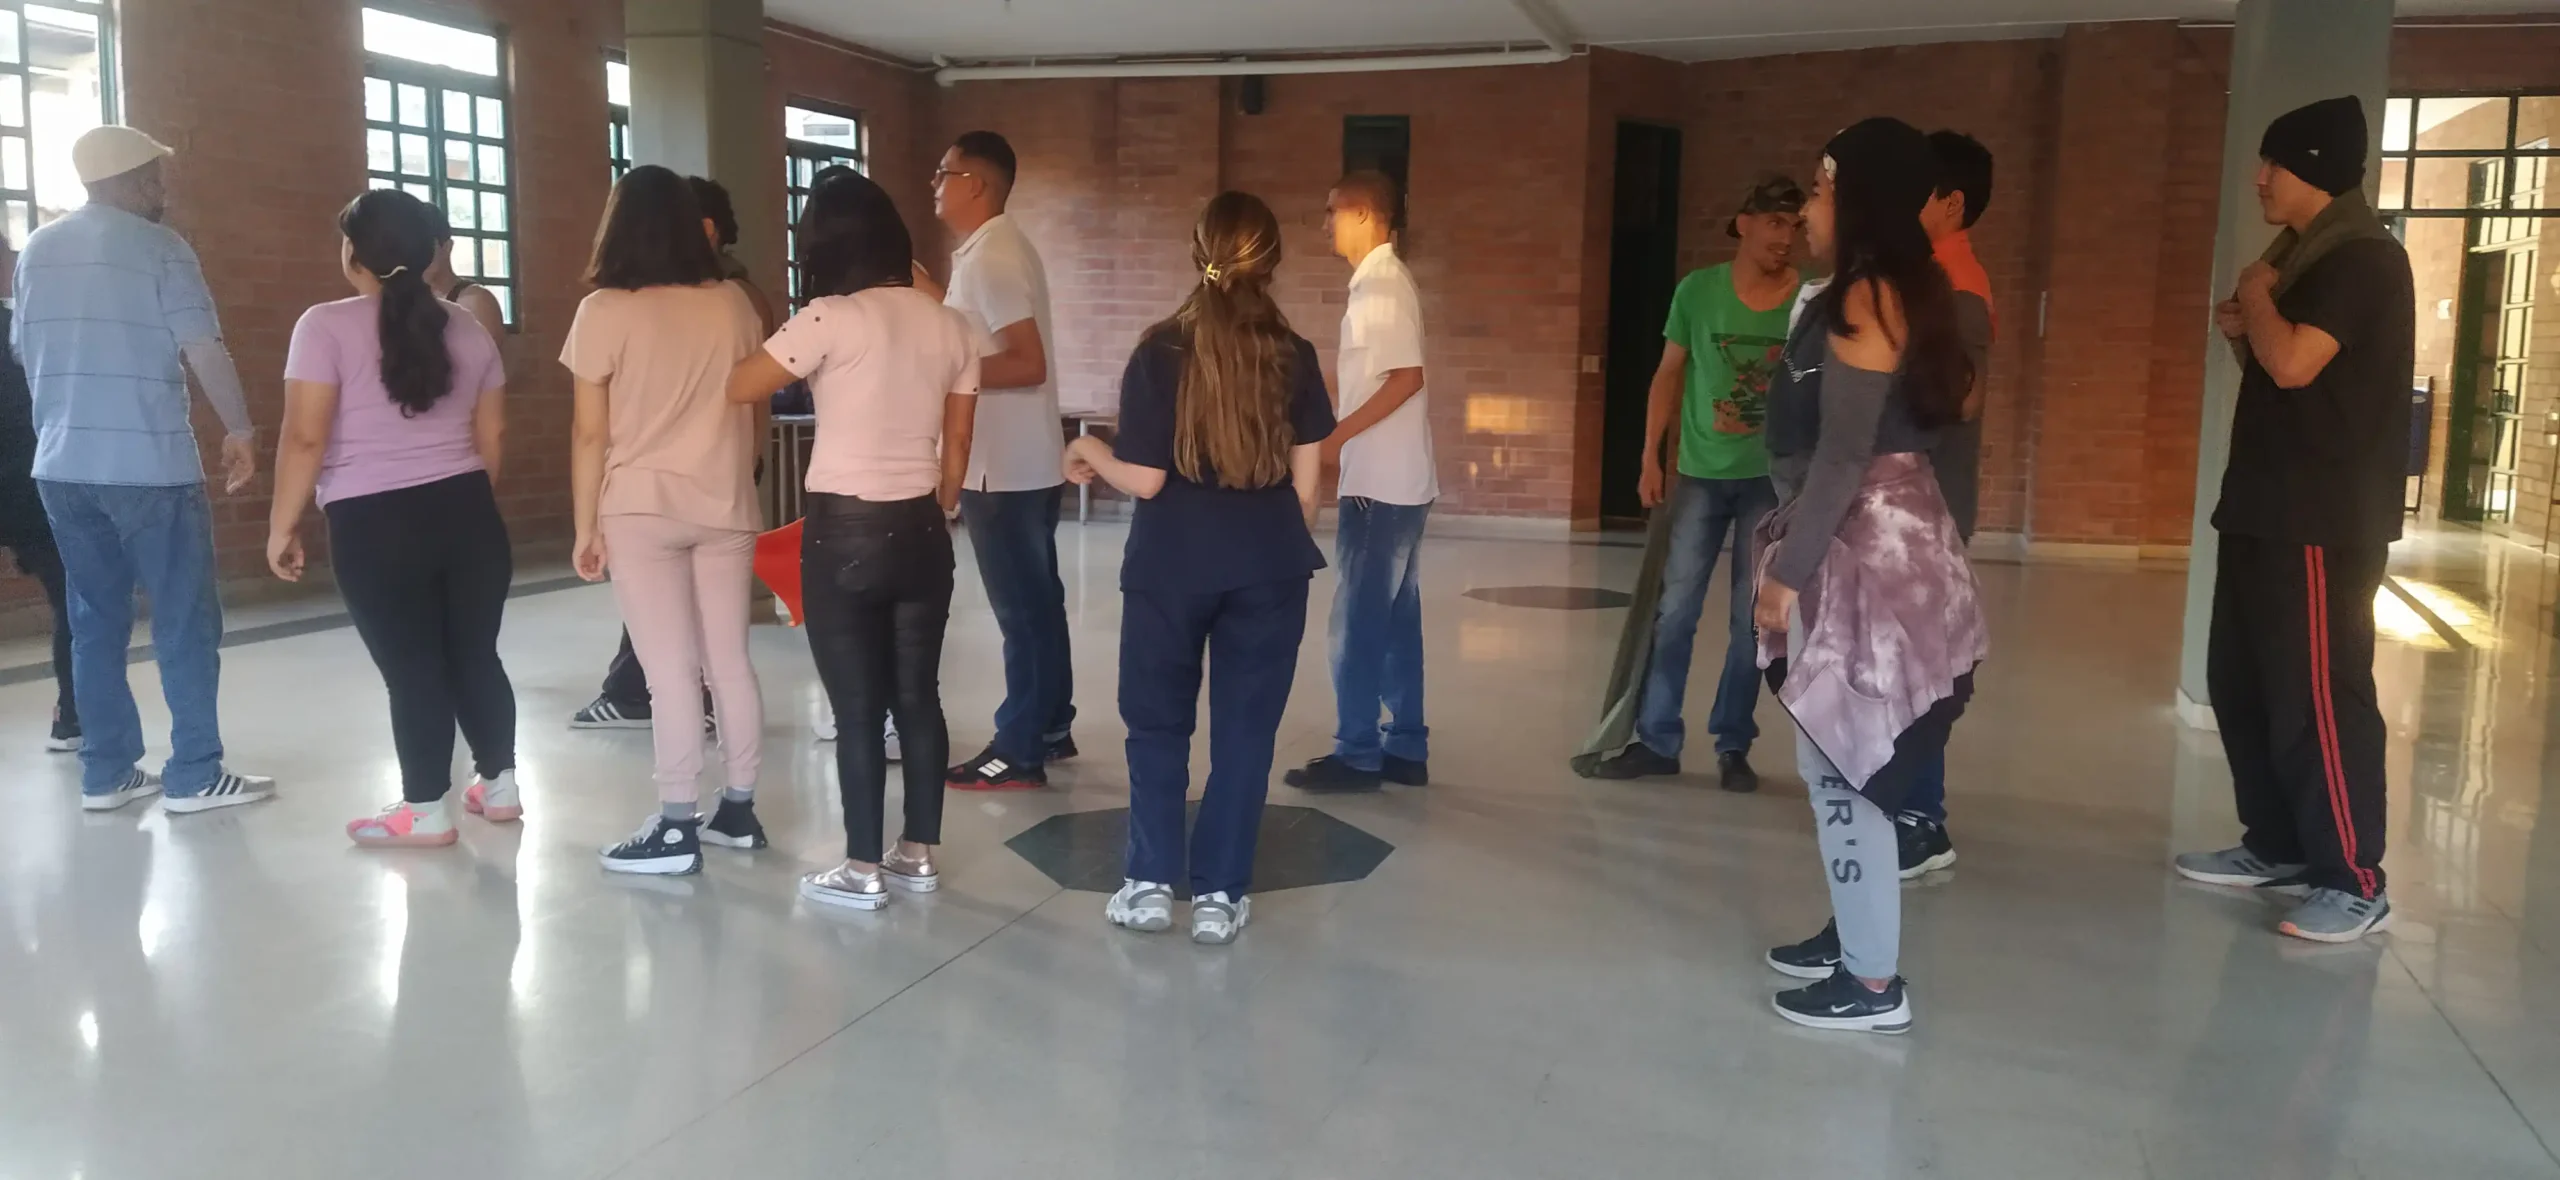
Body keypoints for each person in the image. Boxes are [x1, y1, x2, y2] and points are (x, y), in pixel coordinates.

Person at [1755, 118, 1987, 1034]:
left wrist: (1788, 576)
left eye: (1820, 189)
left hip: (1870, 565)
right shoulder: (1901, 289)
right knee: (1847, 761)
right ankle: (1858, 931)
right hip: (1895, 551)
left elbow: (1844, 457)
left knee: (1843, 764)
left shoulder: (1866, 298)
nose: (1807, 209)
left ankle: (1872, 983)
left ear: (1858, 199)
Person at [2173, 96, 2413, 944]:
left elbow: (2296, 363)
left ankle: (2352, 878)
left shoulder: (2360, 258)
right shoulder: (2304, 258)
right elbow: (2282, 368)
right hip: (2267, 506)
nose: (2260, 179)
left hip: (2320, 517)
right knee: (2245, 681)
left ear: (2312, 167)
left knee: (2318, 694)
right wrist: (2250, 325)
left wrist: (2254, 295)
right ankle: (2277, 844)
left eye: (2273, 163)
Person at [1067, 191, 1334, 945]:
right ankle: (1219, 896)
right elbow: (1308, 488)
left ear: (1198, 253)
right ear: (1272, 262)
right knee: (1246, 733)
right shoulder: (1294, 354)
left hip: (1170, 563)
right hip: (1269, 564)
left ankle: (1149, 884)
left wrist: (1086, 449)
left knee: (1156, 725)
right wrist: (1267, 539)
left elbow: (1147, 480)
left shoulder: (1159, 351)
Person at [726, 172, 980, 910]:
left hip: (844, 532)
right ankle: (918, 856)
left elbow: (742, 385)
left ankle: (862, 868)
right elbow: (959, 442)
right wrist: (942, 502)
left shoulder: (829, 318)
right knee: (919, 697)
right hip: (924, 529)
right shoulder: (953, 325)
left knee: (859, 709)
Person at [17, 126, 272, 814]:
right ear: (129, 181)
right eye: (154, 177)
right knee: (184, 618)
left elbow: (27, 352)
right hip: (149, 465)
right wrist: (240, 430)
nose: (162, 189)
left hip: (62, 467)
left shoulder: (37, 249)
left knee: (94, 620)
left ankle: (106, 772)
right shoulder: (162, 248)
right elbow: (204, 347)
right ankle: (195, 773)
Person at [266, 189, 518, 847]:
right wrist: (460, 500)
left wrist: (282, 525)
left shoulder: (323, 326)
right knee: (475, 655)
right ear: (429, 251)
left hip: (373, 524)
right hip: (469, 512)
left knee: (413, 668)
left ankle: (425, 810)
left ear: (353, 253)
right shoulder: (469, 327)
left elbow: (304, 438)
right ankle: (499, 786)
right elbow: (492, 437)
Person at [562, 164, 768, 875]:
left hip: (641, 506)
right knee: (728, 661)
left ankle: (677, 824)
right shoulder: (734, 304)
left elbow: (590, 433)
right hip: (725, 502)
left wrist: (586, 526)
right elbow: (754, 407)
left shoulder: (603, 311)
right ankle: (738, 810)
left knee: (669, 672)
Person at [1589, 176, 1805, 793]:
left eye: (1794, 226)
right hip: (1700, 475)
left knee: (1750, 620)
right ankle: (1658, 740)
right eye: (1774, 222)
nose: (1785, 238)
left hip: (1767, 481)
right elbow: (1668, 373)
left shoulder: (1805, 302)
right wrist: (1648, 457)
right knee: (1676, 610)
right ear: (1744, 223)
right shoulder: (1698, 291)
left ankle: (1733, 743)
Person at [919, 130, 1076, 790]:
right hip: (1017, 460)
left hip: (1002, 467)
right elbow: (984, 335)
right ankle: (1049, 724)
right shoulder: (989, 250)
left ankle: (1018, 747)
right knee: (1039, 603)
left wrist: (947, 371)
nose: (935, 184)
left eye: (944, 172)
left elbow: (1025, 362)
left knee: (1021, 613)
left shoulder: (993, 256)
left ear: (976, 183)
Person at [1284, 171, 1436, 794]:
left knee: (1358, 621)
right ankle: (1404, 746)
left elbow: (1406, 378)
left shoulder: (1381, 284)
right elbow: (1379, 378)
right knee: (1396, 620)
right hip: (1396, 481)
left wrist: (1332, 441)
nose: (1324, 223)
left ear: (1366, 214)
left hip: (1380, 485)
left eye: (1333, 211)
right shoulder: (1379, 281)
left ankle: (1357, 753)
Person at [1895, 130, 1998, 879]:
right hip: (1908, 507)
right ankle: (1906, 804)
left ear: (1951, 203)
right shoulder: (1929, 277)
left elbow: (1962, 399)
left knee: (1920, 668)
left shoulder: (1957, 286)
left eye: (1916, 189)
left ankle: (1922, 821)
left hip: (1926, 508)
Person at [424, 213, 506, 343]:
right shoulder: (412, 299)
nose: (418, 257)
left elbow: (484, 355)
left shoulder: (476, 301)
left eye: (425, 247)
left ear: (447, 247)